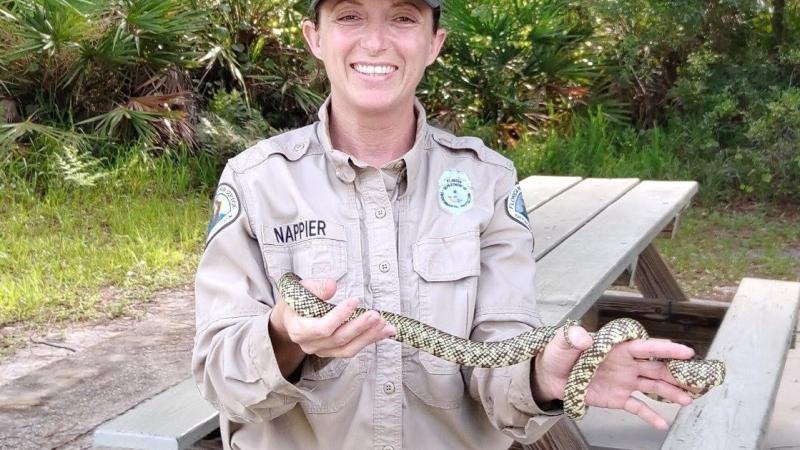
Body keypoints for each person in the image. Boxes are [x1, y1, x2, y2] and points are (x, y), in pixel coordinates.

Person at [192, 1, 697, 448]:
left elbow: (501, 354)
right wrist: (283, 335)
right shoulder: (255, 181)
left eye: (403, 17)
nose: (374, 40)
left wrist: (545, 375)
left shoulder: (489, 182)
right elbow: (221, 381)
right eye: (349, 15)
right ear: (314, 37)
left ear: (434, 43)